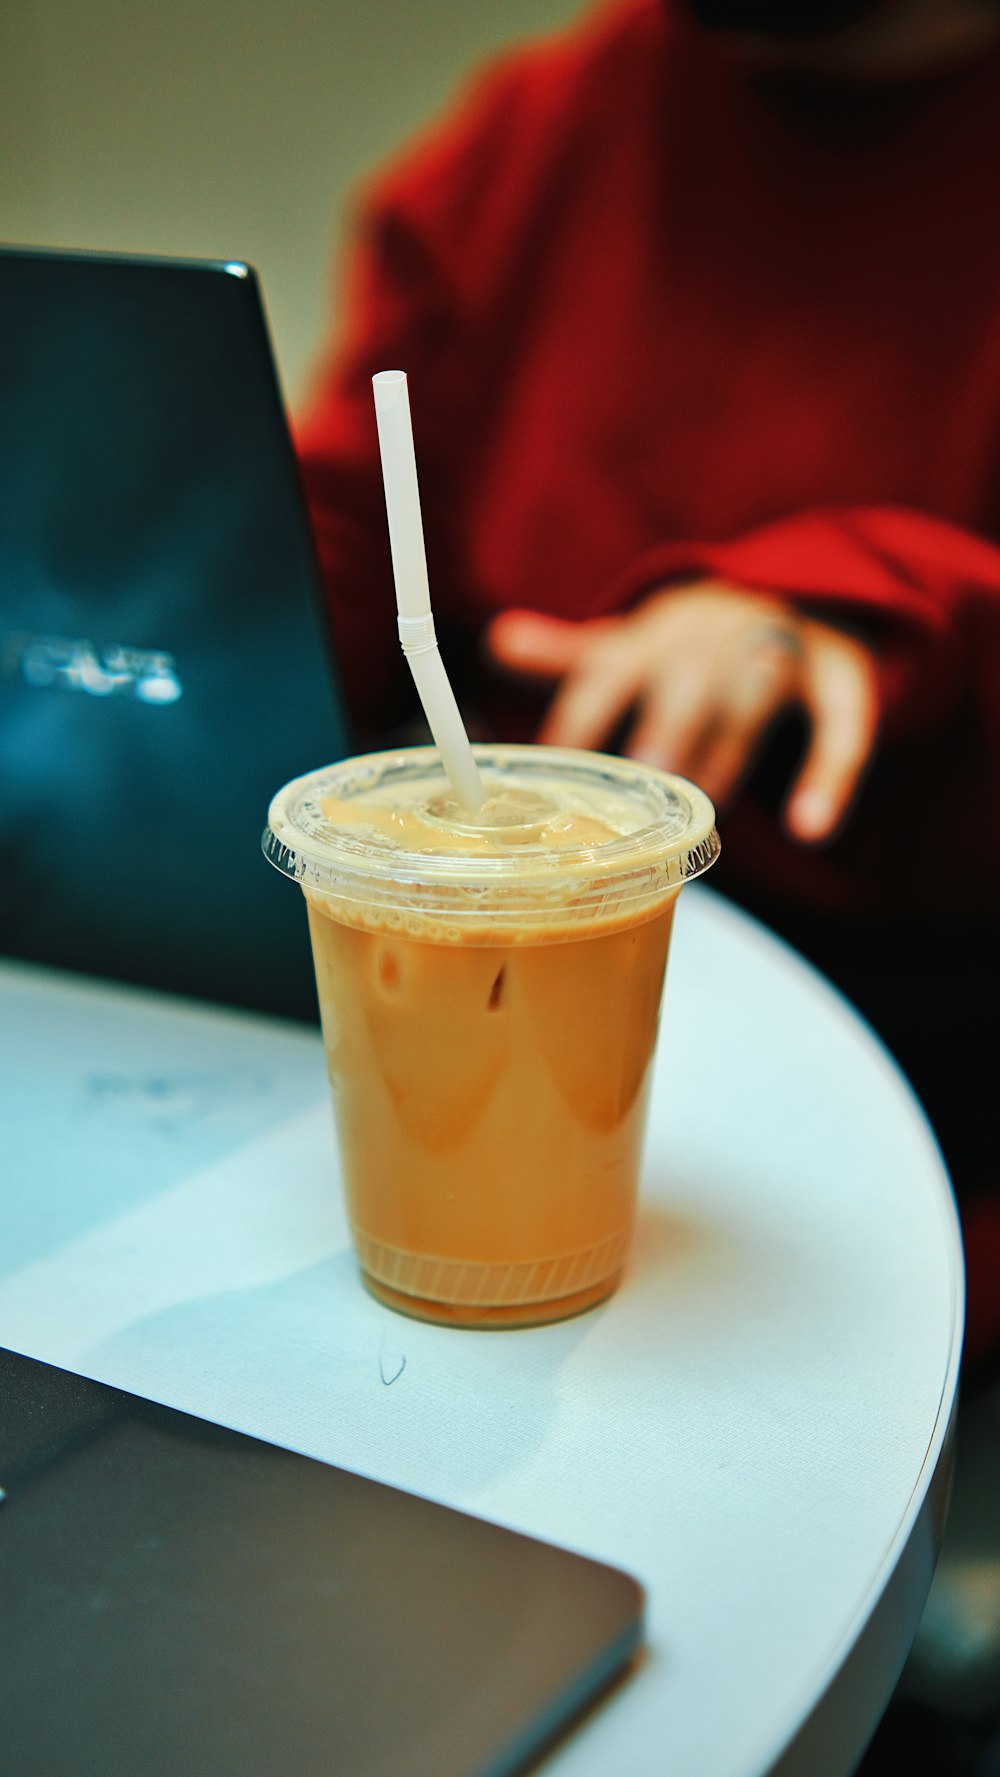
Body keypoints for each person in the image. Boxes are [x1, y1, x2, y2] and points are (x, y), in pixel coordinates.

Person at [296, 0, 1000, 1361]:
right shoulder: (545, 127)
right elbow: (340, 552)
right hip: (463, 970)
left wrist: (884, 599)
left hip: (918, 1063)